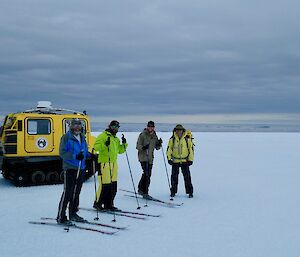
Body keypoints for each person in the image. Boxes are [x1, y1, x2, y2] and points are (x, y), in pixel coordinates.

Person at [57, 118, 95, 224]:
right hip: (70, 168)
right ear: (71, 126)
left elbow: (84, 151)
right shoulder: (66, 137)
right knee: (68, 192)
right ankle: (61, 216)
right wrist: (75, 156)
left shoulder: (82, 137)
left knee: (76, 192)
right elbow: (62, 153)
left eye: (79, 125)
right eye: (75, 125)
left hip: (81, 168)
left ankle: (73, 213)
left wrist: (90, 155)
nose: (77, 127)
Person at [93, 120, 128, 211]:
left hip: (113, 164)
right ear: (109, 126)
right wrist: (105, 145)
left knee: (113, 186)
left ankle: (109, 204)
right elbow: (96, 147)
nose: (115, 129)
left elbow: (120, 151)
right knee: (105, 185)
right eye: (113, 127)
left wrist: (124, 144)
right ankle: (98, 203)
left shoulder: (116, 139)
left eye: (117, 127)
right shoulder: (103, 136)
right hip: (104, 163)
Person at [167, 124, 194, 198]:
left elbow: (190, 149)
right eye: (177, 130)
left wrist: (190, 160)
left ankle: (190, 192)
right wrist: (169, 159)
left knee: (187, 177)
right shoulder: (172, 139)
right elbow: (169, 149)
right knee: (174, 177)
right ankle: (173, 192)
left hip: (185, 161)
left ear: (183, 130)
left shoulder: (187, 139)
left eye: (180, 130)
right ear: (175, 131)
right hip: (175, 161)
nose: (179, 131)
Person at [136, 121, 162, 197]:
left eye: (152, 127)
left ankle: (141, 189)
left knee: (147, 174)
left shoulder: (154, 135)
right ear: (147, 127)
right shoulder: (142, 135)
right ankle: (145, 191)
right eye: (149, 126)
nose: (150, 128)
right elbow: (137, 146)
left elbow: (157, 147)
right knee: (146, 173)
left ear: (154, 127)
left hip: (150, 158)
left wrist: (159, 144)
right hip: (143, 157)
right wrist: (143, 147)